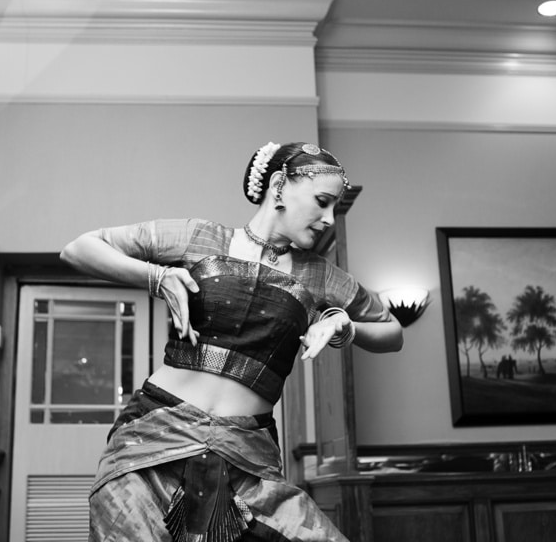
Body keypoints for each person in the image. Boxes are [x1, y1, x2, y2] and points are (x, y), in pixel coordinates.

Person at [61, 141, 404, 541]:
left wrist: (345, 325)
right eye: (322, 202)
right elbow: (78, 249)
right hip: (151, 441)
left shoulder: (320, 275)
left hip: (246, 457)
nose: (329, 219)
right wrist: (157, 277)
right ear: (279, 186)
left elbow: (392, 332)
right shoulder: (199, 237)